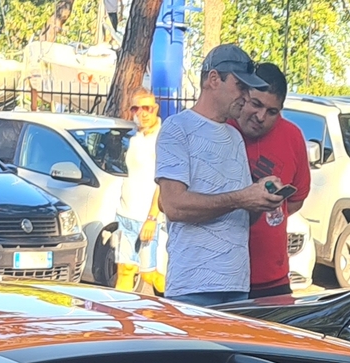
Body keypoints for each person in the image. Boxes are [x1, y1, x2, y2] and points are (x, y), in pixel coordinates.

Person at [154, 42, 279, 306]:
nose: (245, 96)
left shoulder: (235, 135)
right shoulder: (177, 128)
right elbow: (174, 206)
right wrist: (242, 198)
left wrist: (262, 197)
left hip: (237, 285)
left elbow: (244, 211)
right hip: (192, 286)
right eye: (240, 86)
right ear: (213, 79)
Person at [237, 61, 309, 300]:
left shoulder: (293, 136)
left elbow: (296, 200)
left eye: (272, 111)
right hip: (223, 280)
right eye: (256, 104)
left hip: (273, 278)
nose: (261, 117)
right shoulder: (220, 130)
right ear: (243, 95)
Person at [113, 90, 165, 292]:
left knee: (150, 274)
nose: (142, 113)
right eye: (136, 108)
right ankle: (123, 319)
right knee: (125, 270)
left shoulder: (162, 139)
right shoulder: (132, 138)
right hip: (125, 215)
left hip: (148, 219)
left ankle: (183, 307)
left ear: (156, 109)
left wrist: (152, 217)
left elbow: (162, 182)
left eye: (147, 108)